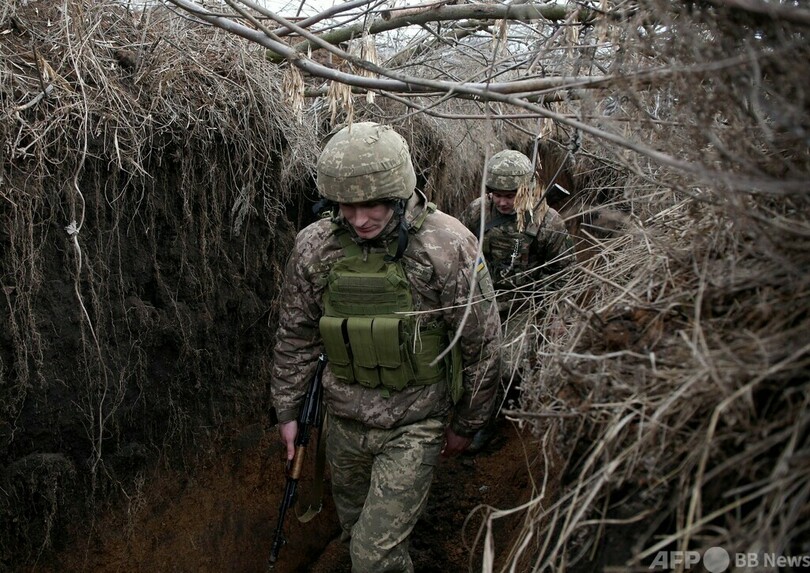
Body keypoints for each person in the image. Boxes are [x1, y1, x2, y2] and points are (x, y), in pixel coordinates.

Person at [270, 122, 501, 572]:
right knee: (356, 531)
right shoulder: (315, 247)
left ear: (398, 193)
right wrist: (288, 412)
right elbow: (296, 335)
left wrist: (467, 421)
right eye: (347, 206)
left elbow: (481, 342)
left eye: (372, 204)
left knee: (373, 556)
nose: (359, 219)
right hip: (343, 423)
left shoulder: (447, 244)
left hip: (415, 423)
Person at [458, 149, 575, 452]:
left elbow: (564, 276)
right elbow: (458, 252)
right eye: (497, 194)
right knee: (465, 357)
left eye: (511, 195)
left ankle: (492, 422)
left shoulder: (549, 223)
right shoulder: (476, 213)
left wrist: (556, 316)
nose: (503, 201)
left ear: (527, 190)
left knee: (505, 366)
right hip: (482, 299)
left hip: (523, 304)